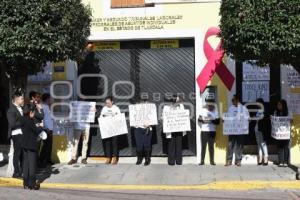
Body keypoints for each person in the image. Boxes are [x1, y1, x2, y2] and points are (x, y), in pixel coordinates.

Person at [21, 104, 44, 190]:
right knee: (32, 165)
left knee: (26, 164)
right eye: (34, 112)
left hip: (24, 144)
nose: (34, 114)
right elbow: (36, 131)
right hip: (31, 145)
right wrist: (41, 127)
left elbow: (30, 129)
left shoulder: (23, 119)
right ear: (31, 112)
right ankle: (32, 184)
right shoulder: (30, 120)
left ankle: (25, 183)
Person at [225, 94, 249, 167]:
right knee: (230, 145)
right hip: (232, 130)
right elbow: (228, 117)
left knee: (239, 146)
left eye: (233, 100)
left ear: (237, 100)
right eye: (232, 100)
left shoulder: (244, 108)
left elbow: (248, 119)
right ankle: (229, 160)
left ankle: (238, 160)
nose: (232, 101)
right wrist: (225, 120)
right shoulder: (231, 108)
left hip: (240, 131)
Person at [163, 95, 186, 166]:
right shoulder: (166, 107)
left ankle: (179, 161)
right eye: (177, 100)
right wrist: (171, 108)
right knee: (171, 145)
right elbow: (164, 116)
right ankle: (171, 161)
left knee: (179, 145)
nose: (178, 101)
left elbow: (184, 115)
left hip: (179, 128)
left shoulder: (181, 106)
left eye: (179, 100)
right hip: (171, 129)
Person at [7, 91, 24, 178]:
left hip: (22, 133)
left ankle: (22, 170)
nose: (23, 100)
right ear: (17, 99)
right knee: (17, 153)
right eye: (21, 98)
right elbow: (12, 124)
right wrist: (23, 122)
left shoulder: (21, 108)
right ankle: (16, 172)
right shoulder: (11, 110)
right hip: (16, 134)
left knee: (22, 153)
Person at [134, 96, 154, 166]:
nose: (143, 103)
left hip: (147, 129)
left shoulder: (150, 109)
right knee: (139, 145)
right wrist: (134, 124)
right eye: (141, 102)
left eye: (144, 102)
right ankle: (139, 159)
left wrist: (149, 124)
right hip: (138, 129)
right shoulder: (135, 109)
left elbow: (153, 119)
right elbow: (133, 118)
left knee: (147, 145)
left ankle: (147, 159)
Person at [198, 99, 220, 165]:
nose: (211, 107)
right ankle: (202, 161)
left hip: (212, 131)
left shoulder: (216, 112)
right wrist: (203, 120)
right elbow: (199, 119)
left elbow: (218, 122)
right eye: (210, 105)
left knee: (211, 146)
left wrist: (210, 121)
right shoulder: (203, 111)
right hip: (204, 131)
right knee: (203, 146)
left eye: (212, 105)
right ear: (208, 105)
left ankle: (212, 161)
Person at [100, 96, 121, 165]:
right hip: (107, 129)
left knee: (114, 143)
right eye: (106, 103)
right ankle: (108, 158)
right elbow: (101, 117)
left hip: (114, 129)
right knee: (107, 143)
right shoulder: (104, 108)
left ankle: (114, 158)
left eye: (108, 103)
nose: (107, 104)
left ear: (112, 102)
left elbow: (119, 117)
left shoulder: (116, 108)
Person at [274, 99, 291, 167]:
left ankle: (286, 162)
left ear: (283, 105)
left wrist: (289, 120)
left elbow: (292, 121)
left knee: (286, 147)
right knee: (279, 147)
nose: (278, 106)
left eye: (280, 105)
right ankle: (280, 161)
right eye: (278, 105)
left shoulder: (288, 112)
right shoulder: (276, 112)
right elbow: (274, 120)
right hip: (279, 133)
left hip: (286, 132)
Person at [252, 98, 269, 165]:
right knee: (259, 144)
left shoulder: (264, 110)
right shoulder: (257, 110)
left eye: (258, 103)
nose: (257, 104)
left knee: (263, 144)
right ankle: (260, 159)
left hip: (262, 129)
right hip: (256, 128)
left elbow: (264, 118)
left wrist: (257, 118)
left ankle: (266, 159)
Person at [40, 93, 54, 166]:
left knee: (49, 145)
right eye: (51, 98)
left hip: (50, 128)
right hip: (46, 129)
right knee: (45, 146)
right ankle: (42, 161)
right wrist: (45, 128)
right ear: (47, 99)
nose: (52, 100)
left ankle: (48, 159)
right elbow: (43, 119)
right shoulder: (43, 107)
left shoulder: (48, 106)